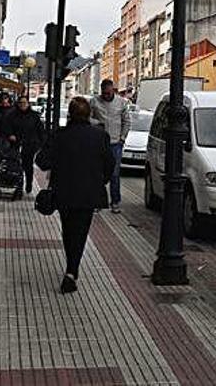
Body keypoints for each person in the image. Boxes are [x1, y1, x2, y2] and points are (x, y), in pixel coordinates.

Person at [36, 97, 114, 294]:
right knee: (81, 230)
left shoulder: (60, 136)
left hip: (64, 191)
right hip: (88, 193)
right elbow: (110, 164)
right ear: (89, 114)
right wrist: (99, 180)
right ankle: (72, 270)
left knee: (68, 228)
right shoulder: (100, 136)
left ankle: (71, 269)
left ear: (70, 113)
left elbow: (42, 161)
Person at [90, 79, 131, 213]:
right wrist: (97, 123)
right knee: (97, 173)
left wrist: (122, 138)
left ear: (113, 90)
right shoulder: (94, 101)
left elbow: (126, 121)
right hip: (98, 143)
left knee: (114, 174)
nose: (106, 96)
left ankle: (115, 202)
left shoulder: (121, 102)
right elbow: (88, 117)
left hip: (115, 143)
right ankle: (97, 201)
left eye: (108, 93)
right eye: (104, 93)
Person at [7, 96, 46, 193]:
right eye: (21, 103)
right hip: (16, 144)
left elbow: (40, 130)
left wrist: (40, 144)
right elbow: (7, 127)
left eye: (24, 103)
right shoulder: (13, 115)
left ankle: (29, 184)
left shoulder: (34, 116)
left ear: (28, 104)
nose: (23, 105)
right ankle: (18, 185)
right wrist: (10, 135)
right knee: (17, 165)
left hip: (30, 145)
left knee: (28, 165)